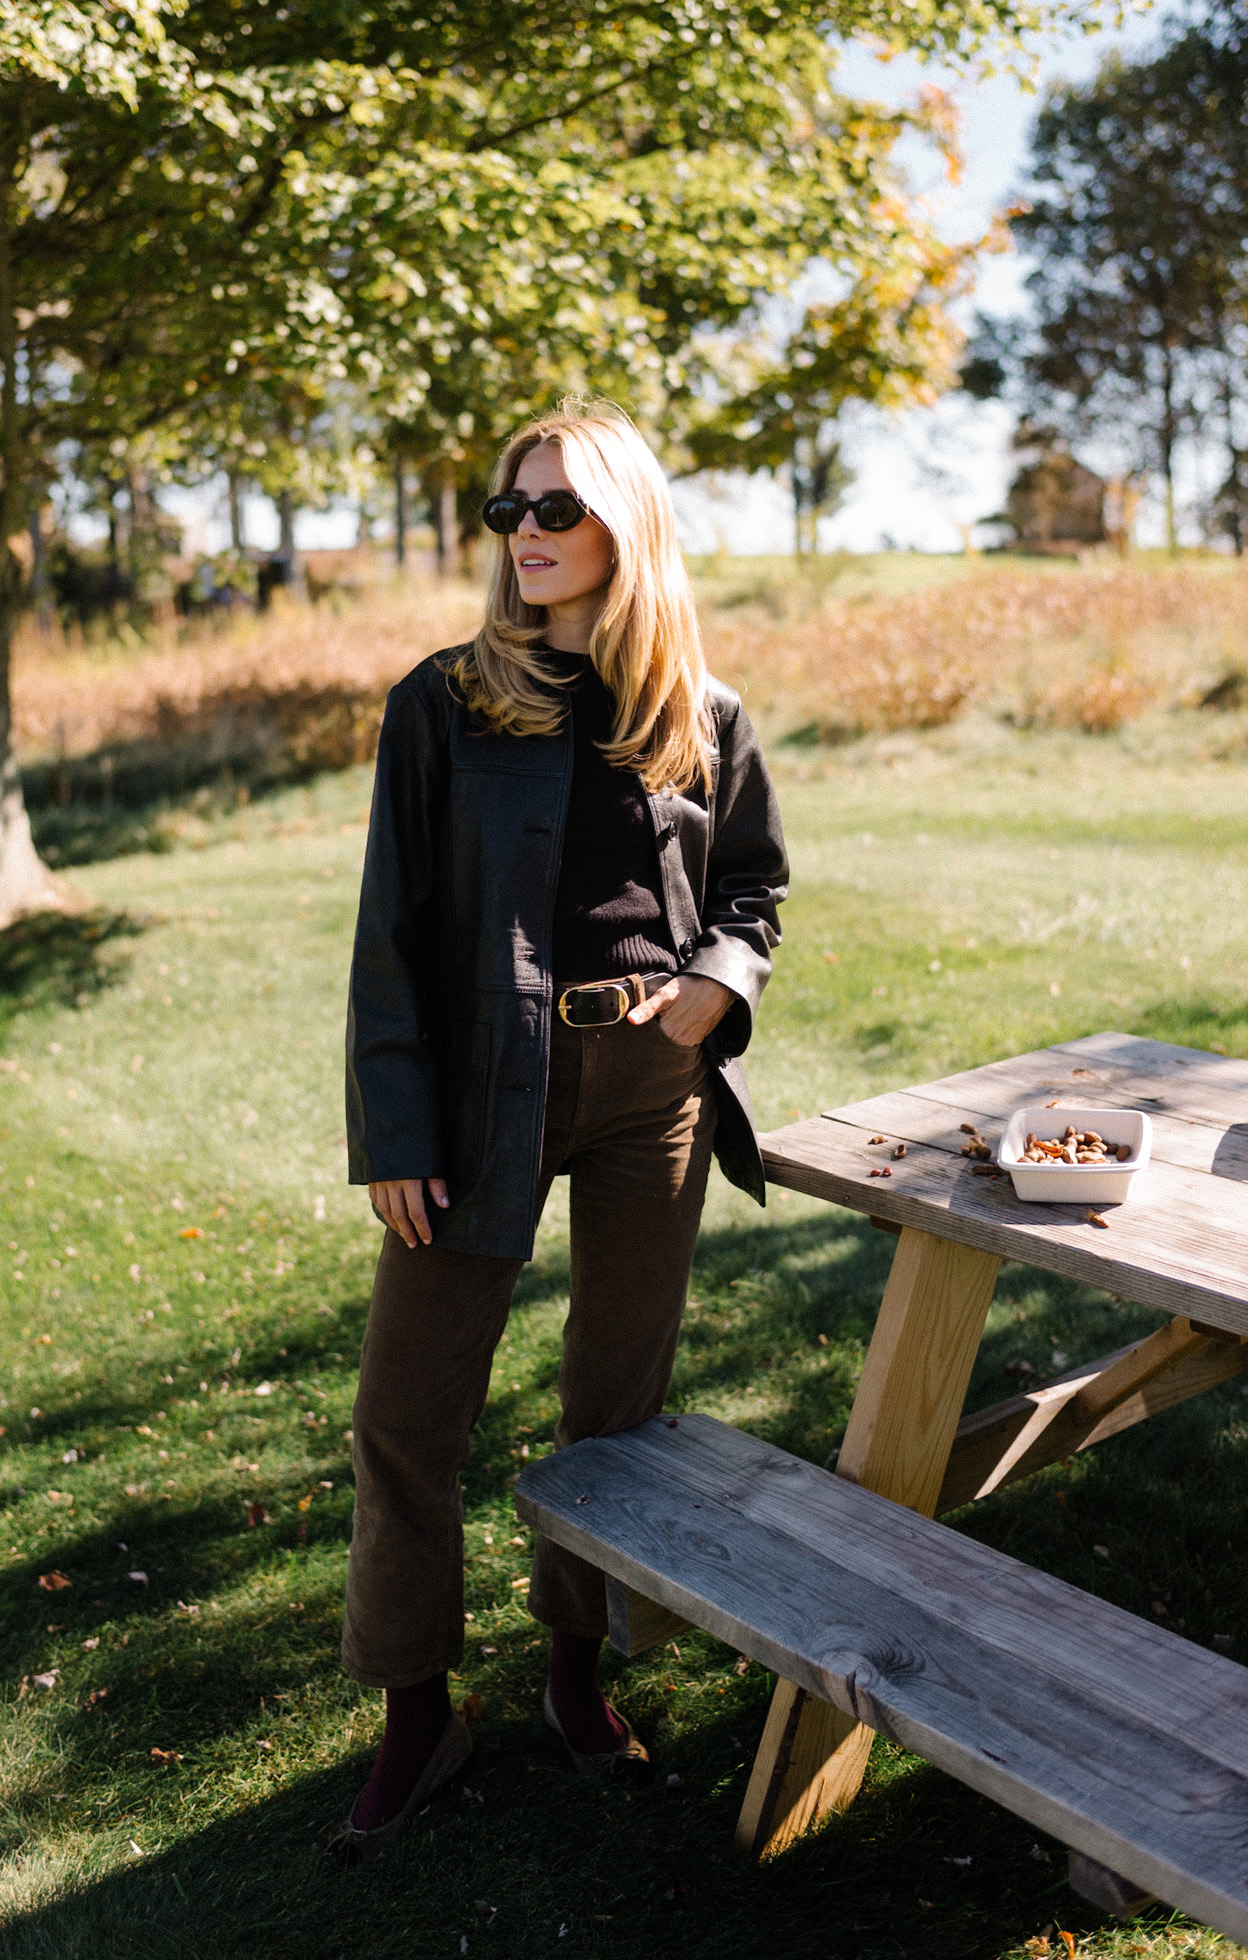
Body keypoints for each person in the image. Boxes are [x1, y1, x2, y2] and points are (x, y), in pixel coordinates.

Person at [331, 398, 788, 1863]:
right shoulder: (444, 704)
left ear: (625, 523)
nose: (525, 536)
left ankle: (575, 1670)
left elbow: (754, 893)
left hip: (649, 1088)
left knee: (617, 1408)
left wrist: (714, 993)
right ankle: (418, 1710)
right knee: (408, 1415)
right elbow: (388, 936)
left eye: (556, 508)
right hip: (476, 1096)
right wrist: (395, 1125)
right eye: (508, 510)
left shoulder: (702, 716)